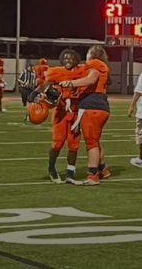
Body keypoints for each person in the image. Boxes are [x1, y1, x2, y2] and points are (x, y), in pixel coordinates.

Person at [35, 49, 92, 184]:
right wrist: (35, 95)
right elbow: (45, 87)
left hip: (76, 113)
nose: (68, 60)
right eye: (65, 58)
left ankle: (70, 173)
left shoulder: (82, 72)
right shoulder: (56, 72)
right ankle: (51, 169)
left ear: (76, 60)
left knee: (74, 145)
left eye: (71, 58)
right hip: (60, 113)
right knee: (57, 144)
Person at [57, 45, 111, 186]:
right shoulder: (99, 66)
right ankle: (103, 169)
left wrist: (71, 83)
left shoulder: (95, 64)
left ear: (92, 54)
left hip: (92, 107)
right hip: (99, 106)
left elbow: (91, 79)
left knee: (91, 142)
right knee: (95, 141)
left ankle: (93, 176)